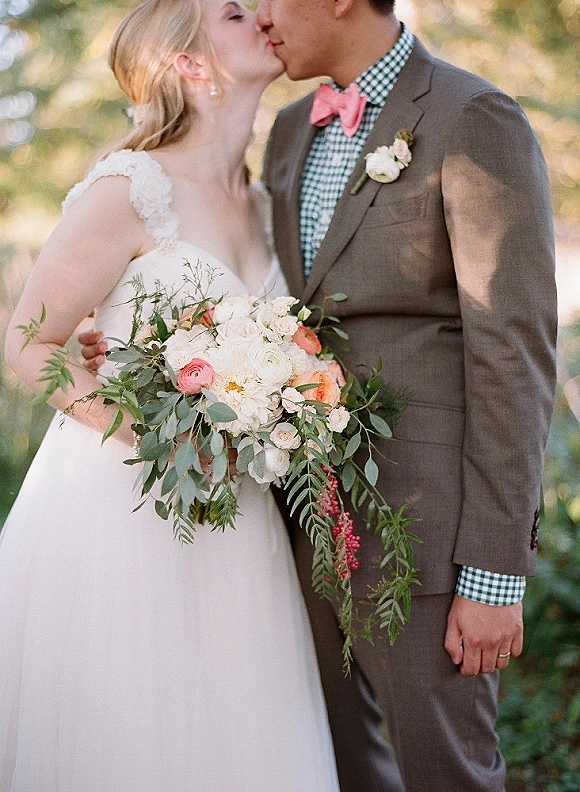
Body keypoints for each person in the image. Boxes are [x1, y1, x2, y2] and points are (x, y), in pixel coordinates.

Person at [0, 0, 341, 789]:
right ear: (188, 63)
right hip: (125, 502)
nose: (262, 14)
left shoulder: (267, 199)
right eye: (234, 12)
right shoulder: (130, 187)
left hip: (242, 515)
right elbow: (26, 341)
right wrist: (154, 433)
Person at [251, 1, 558, 790]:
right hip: (302, 516)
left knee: (446, 774)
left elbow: (513, 352)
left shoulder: (473, 117)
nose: (258, 14)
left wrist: (493, 575)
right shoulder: (288, 129)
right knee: (342, 768)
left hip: (425, 538)